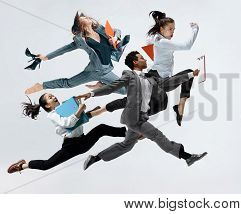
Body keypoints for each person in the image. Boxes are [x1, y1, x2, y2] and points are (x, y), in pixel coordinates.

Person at [76, 51, 207, 170]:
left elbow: (169, 83)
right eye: (142, 58)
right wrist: (91, 94)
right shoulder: (129, 75)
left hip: (141, 117)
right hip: (133, 117)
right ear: (135, 62)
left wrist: (190, 75)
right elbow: (112, 87)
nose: (145, 60)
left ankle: (96, 158)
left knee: (126, 145)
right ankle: (187, 157)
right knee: (157, 135)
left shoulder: (151, 78)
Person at [7, 94, 126, 173]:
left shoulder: (67, 107)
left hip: (83, 141)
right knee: (46, 165)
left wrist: (88, 110)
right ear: (48, 105)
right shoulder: (52, 115)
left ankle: (127, 132)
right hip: (71, 146)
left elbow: (81, 119)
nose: (53, 97)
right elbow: (68, 123)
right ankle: (22, 166)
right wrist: (80, 110)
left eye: (53, 95)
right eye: (50, 97)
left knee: (101, 128)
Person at [24, 12, 130, 95]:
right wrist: (46, 57)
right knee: (69, 83)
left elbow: (117, 31)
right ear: (81, 25)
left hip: (107, 70)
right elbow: (64, 49)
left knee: (125, 90)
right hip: (94, 71)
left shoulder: (100, 30)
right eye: (83, 18)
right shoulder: (81, 41)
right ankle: (42, 86)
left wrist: (115, 37)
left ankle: (101, 85)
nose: (88, 17)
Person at [145, 11, 199, 126]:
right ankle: (138, 120)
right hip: (157, 81)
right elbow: (187, 46)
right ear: (161, 29)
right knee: (160, 105)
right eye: (170, 29)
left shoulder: (157, 38)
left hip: (164, 79)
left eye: (174, 29)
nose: (173, 32)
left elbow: (150, 41)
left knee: (189, 73)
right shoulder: (162, 42)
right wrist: (195, 29)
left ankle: (181, 105)